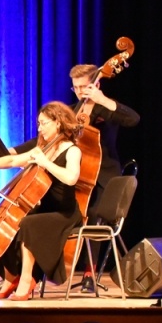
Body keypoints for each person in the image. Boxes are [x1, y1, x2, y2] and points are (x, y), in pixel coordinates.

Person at [0, 101, 85, 301]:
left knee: (28, 223)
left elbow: (71, 178)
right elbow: (13, 160)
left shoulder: (72, 150)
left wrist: (45, 162)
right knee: (11, 222)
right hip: (43, 209)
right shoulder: (42, 148)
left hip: (64, 214)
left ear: (57, 123)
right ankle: (10, 277)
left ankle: (27, 279)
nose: (39, 128)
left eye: (43, 123)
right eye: (39, 123)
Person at [69, 62, 140, 217]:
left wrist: (102, 100)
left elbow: (133, 119)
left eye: (84, 87)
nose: (80, 92)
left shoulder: (106, 107)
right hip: (75, 178)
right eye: (76, 87)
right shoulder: (70, 111)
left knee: (94, 217)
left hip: (103, 178)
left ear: (96, 85)